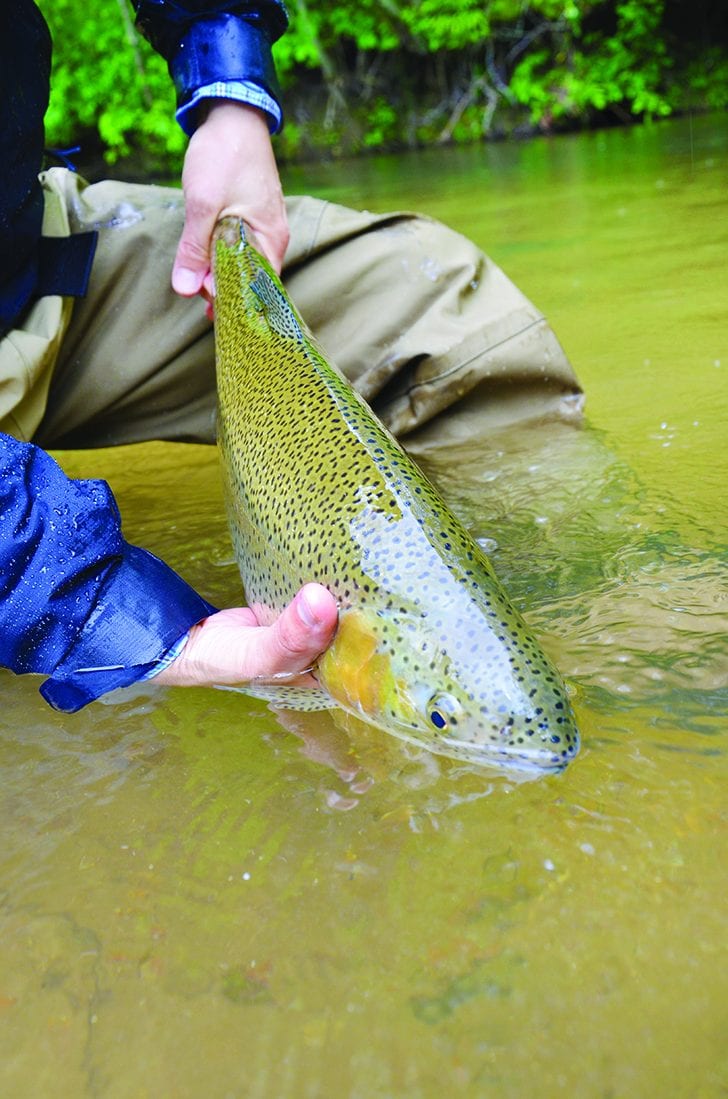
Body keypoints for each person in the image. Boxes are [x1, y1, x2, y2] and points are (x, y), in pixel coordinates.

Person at [0, 0, 582, 714]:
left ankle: (570, 621)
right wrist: (110, 615)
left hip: (26, 259)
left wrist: (229, 93)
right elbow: (86, 601)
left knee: (438, 306)